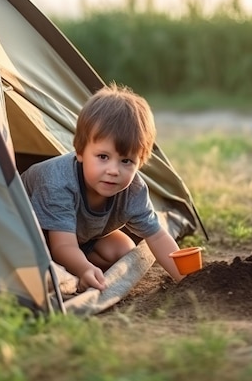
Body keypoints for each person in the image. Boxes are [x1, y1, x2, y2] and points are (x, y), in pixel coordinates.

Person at [21, 83, 184, 292]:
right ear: (80, 152)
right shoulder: (57, 182)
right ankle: (72, 270)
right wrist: (85, 269)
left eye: (126, 161)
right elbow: (63, 245)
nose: (114, 170)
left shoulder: (133, 189)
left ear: (140, 162)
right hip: (34, 239)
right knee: (46, 265)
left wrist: (186, 278)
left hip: (79, 237)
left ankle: (75, 269)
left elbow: (157, 236)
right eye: (103, 157)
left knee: (124, 251)